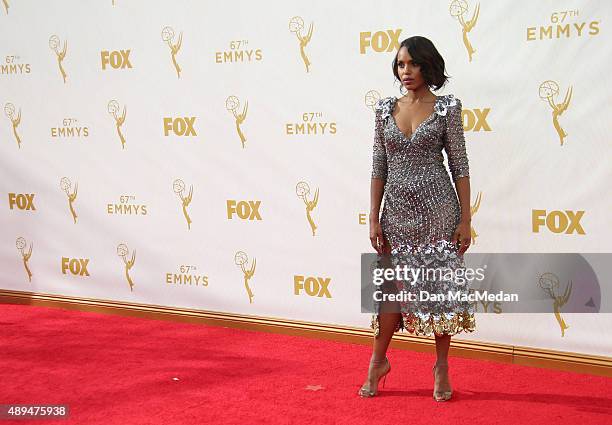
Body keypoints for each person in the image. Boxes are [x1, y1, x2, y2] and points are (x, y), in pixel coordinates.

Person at [359, 36, 476, 401]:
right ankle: (378, 362)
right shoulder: (383, 109)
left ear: (428, 66)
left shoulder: (447, 108)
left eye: (412, 64)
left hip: (439, 213)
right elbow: (379, 165)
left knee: (441, 292)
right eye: (400, 65)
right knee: (391, 292)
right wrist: (374, 218)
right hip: (395, 215)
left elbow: (460, 165)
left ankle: (441, 367)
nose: (405, 71)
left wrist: (465, 219)